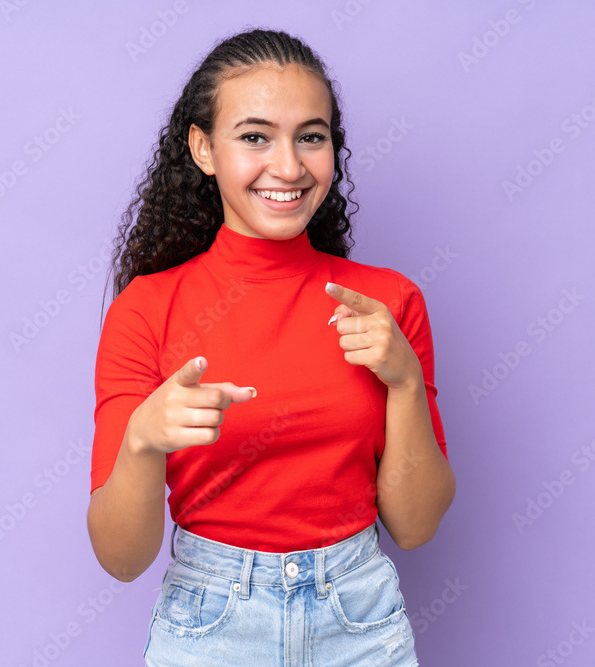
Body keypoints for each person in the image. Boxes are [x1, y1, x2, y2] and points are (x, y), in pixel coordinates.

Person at [86, 27, 455, 666]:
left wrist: (403, 380)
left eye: (311, 137)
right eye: (255, 136)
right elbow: (121, 559)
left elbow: (415, 527)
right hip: (213, 620)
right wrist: (143, 440)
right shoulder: (146, 309)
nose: (288, 167)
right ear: (203, 148)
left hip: (359, 616)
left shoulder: (387, 304)